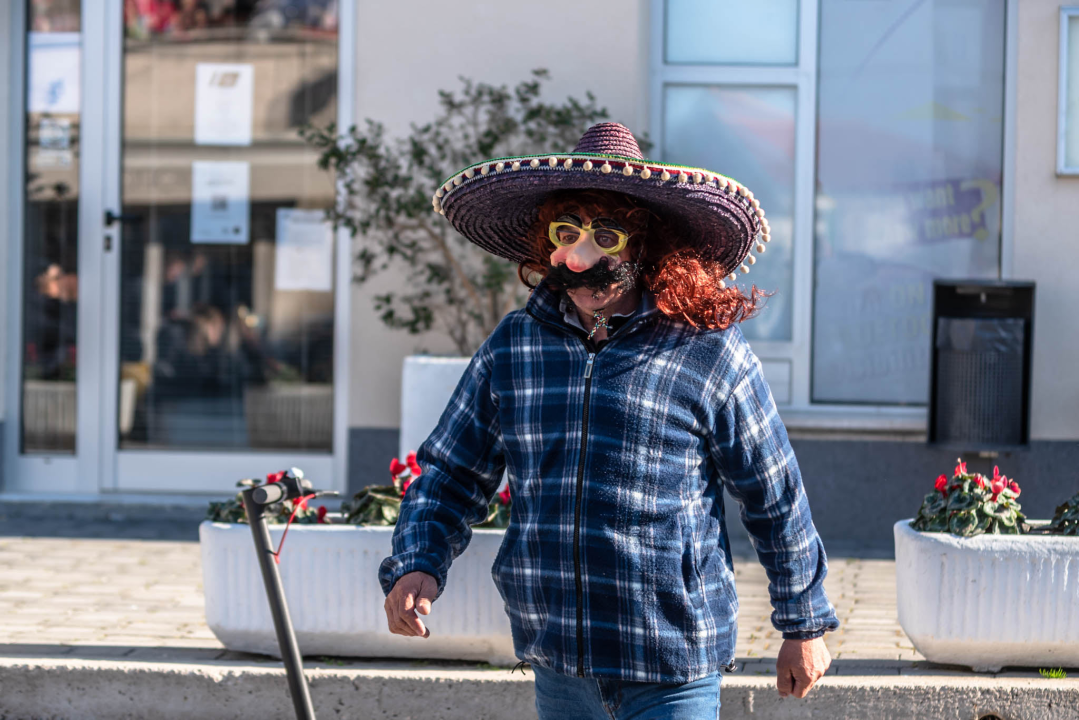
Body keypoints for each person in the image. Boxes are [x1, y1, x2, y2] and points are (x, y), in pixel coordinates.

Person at [379, 122, 839, 718]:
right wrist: (418, 561)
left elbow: (773, 492)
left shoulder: (707, 350)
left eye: (606, 235)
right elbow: (452, 472)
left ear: (646, 242)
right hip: (558, 659)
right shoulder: (515, 347)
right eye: (566, 234)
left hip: (672, 663)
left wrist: (803, 622)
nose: (581, 256)